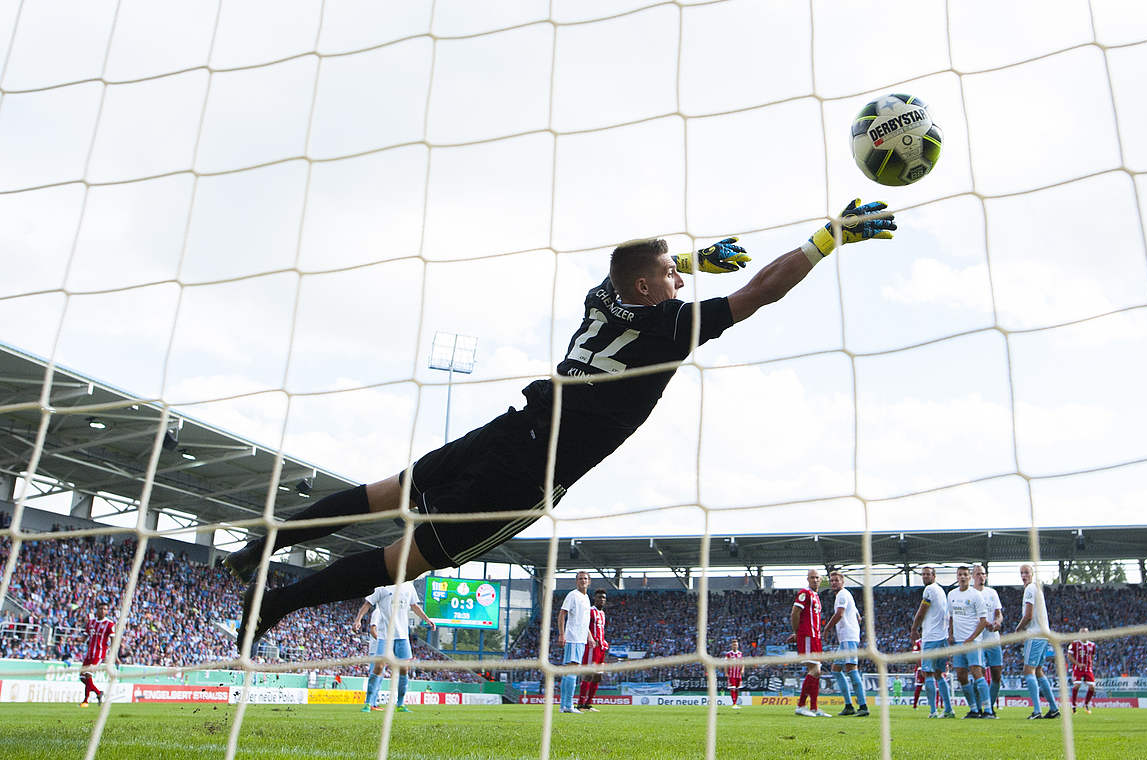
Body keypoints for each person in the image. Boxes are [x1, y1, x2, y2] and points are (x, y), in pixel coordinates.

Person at [227, 201, 896, 651]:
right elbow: (762, 291)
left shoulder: (601, 300)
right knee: (408, 558)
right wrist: (826, 236)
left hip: (510, 426)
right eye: (671, 276)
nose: (679, 283)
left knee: (385, 493)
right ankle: (280, 604)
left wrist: (689, 262)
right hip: (529, 472)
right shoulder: (668, 327)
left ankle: (266, 544)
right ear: (647, 288)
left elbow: (628, 270)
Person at [360, 581, 434, 713]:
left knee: (404, 670)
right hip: (385, 636)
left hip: (402, 636)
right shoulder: (382, 587)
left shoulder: (409, 586)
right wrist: (357, 620)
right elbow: (367, 604)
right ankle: (368, 703)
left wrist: (427, 619)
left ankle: (400, 704)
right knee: (378, 668)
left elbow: (414, 606)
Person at [1015, 564, 1060, 720]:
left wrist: (1018, 629)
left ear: (1032, 574)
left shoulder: (1029, 589)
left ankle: (1037, 711)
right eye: (1021, 573)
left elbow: (1028, 614)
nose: (1023, 575)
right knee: (1039, 671)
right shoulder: (1037, 590)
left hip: (1035, 634)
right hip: (1043, 634)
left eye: (1026, 572)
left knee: (1028, 671)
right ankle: (1053, 708)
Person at [947, 565, 991, 719]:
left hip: (973, 642)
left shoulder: (976, 595)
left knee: (977, 673)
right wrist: (950, 634)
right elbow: (951, 616)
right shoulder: (951, 595)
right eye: (960, 574)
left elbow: (983, 621)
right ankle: (973, 709)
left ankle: (988, 710)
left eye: (965, 574)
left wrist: (971, 639)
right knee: (961, 675)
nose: (963, 577)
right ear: (957, 577)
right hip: (958, 642)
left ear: (970, 577)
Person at [822, 570, 868, 716]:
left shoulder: (842, 595)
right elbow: (858, 616)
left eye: (836, 580)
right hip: (846, 638)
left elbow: (840, 613)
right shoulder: (846, 595)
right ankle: (848, 706)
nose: (834, 582)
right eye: (832, 580)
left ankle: (863, 706)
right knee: (835, 669)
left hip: (848, 637)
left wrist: (827, 629)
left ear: (842, 582)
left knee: (851, 669)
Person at [909, 566, 953, 718]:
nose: (925, 577)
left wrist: (914, 628)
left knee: (927, 673)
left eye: (928, 574)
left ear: (934, 576)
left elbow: (922, 611)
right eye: (923, 574)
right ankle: (948, 710)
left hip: (931, 637)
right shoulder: (941, 591)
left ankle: (933, 711)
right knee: (940, 674)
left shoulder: (929, 590)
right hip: (942, 637)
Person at [789, 568, 830, 717]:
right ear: (807, 579)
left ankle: (814, 707)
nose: (815, 580)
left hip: (816, 637)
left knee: (817, 672)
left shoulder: (816, 596)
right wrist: (796, 632)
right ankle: (801, 705)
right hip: (807, 636)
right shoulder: (804, 594)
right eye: (812, 577)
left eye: (817, 577)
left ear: (820, 579)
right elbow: (794, 613)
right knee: (815, 670)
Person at [558, 571, 594, 714]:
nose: (583, 581)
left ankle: (564, 705)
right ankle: (567, 705)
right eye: (580, 579)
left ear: (589, 581)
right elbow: (562, 614)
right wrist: (562, 634)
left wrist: (589, 635)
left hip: (581, 639)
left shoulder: (586, 598)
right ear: (576, 581)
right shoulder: (572, 595)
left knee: (570, 672)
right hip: (573, 638)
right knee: (572, 670)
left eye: (585, 578)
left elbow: (584, 621)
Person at [972, 563, 1003, 715]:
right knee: (979, 676)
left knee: (997, 675)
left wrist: (997, 622)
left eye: (983, 574)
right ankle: (978, 708)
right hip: (977, 641)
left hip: (993, 639)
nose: (981, 576)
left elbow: (998, 613)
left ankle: (989, 707)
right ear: (973, 577)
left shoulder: (992, 593)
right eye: (977, 574)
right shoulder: (970, 594)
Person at [352, 591, 389, 712]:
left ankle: (373, 702)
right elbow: (373, 630)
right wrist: (383, 641)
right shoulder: (378, 612)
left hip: (381, 649)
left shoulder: (384, 613)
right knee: (375, 676)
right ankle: (370, 703)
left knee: (380, 676)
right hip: (376, 649)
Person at [578, 588, 609, 711]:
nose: (602, 599)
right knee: (588, 675)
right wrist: (591, 638)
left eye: (603, 598)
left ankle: (588, 704)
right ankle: (580, 704)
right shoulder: (590, 611)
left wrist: (604, 641)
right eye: (599, 597)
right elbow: (584, 626)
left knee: (598, 676)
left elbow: (601, 630)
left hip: (601, 648)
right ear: (594, 599)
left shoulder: (602, 613)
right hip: (592, 647)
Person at [79, 601, 114, 707]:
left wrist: (112, 654)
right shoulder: (91, 622)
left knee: (88, 675)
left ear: (107, 611)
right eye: (101, 609)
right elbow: (85, 637)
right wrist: (78, 640)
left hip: (99, 654)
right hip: (89, 654)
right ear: (97, 610)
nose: (102, 611)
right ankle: (99, 693)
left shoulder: (110, 624)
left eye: (105, 609)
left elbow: (113, 639)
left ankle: (85, 701)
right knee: (82, 677)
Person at [1066, 629, 1097, 715]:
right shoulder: (1074, 643)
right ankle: (1073, 706)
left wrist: (1090, 664)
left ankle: (1086, 705)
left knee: (1092, 687)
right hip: (1077, 668)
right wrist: (1078, 664)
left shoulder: (1092, 645)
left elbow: (1093, 656)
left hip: (1088, 669)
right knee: (1077, 685)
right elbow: (1069, 655)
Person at [724, 637, 744, 710]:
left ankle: (735, 702)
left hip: (738, 674)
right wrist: (726, 672)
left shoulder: (740, 653)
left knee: (737, 688)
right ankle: (734, 703)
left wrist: (742, 670)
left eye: (736, 645)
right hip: (731, 674)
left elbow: (743, 663)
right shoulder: (728, 654)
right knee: (732, 688)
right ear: (732, 646)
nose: (735, 646)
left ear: (738, 646)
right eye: (734, 645)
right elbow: (725, 664)